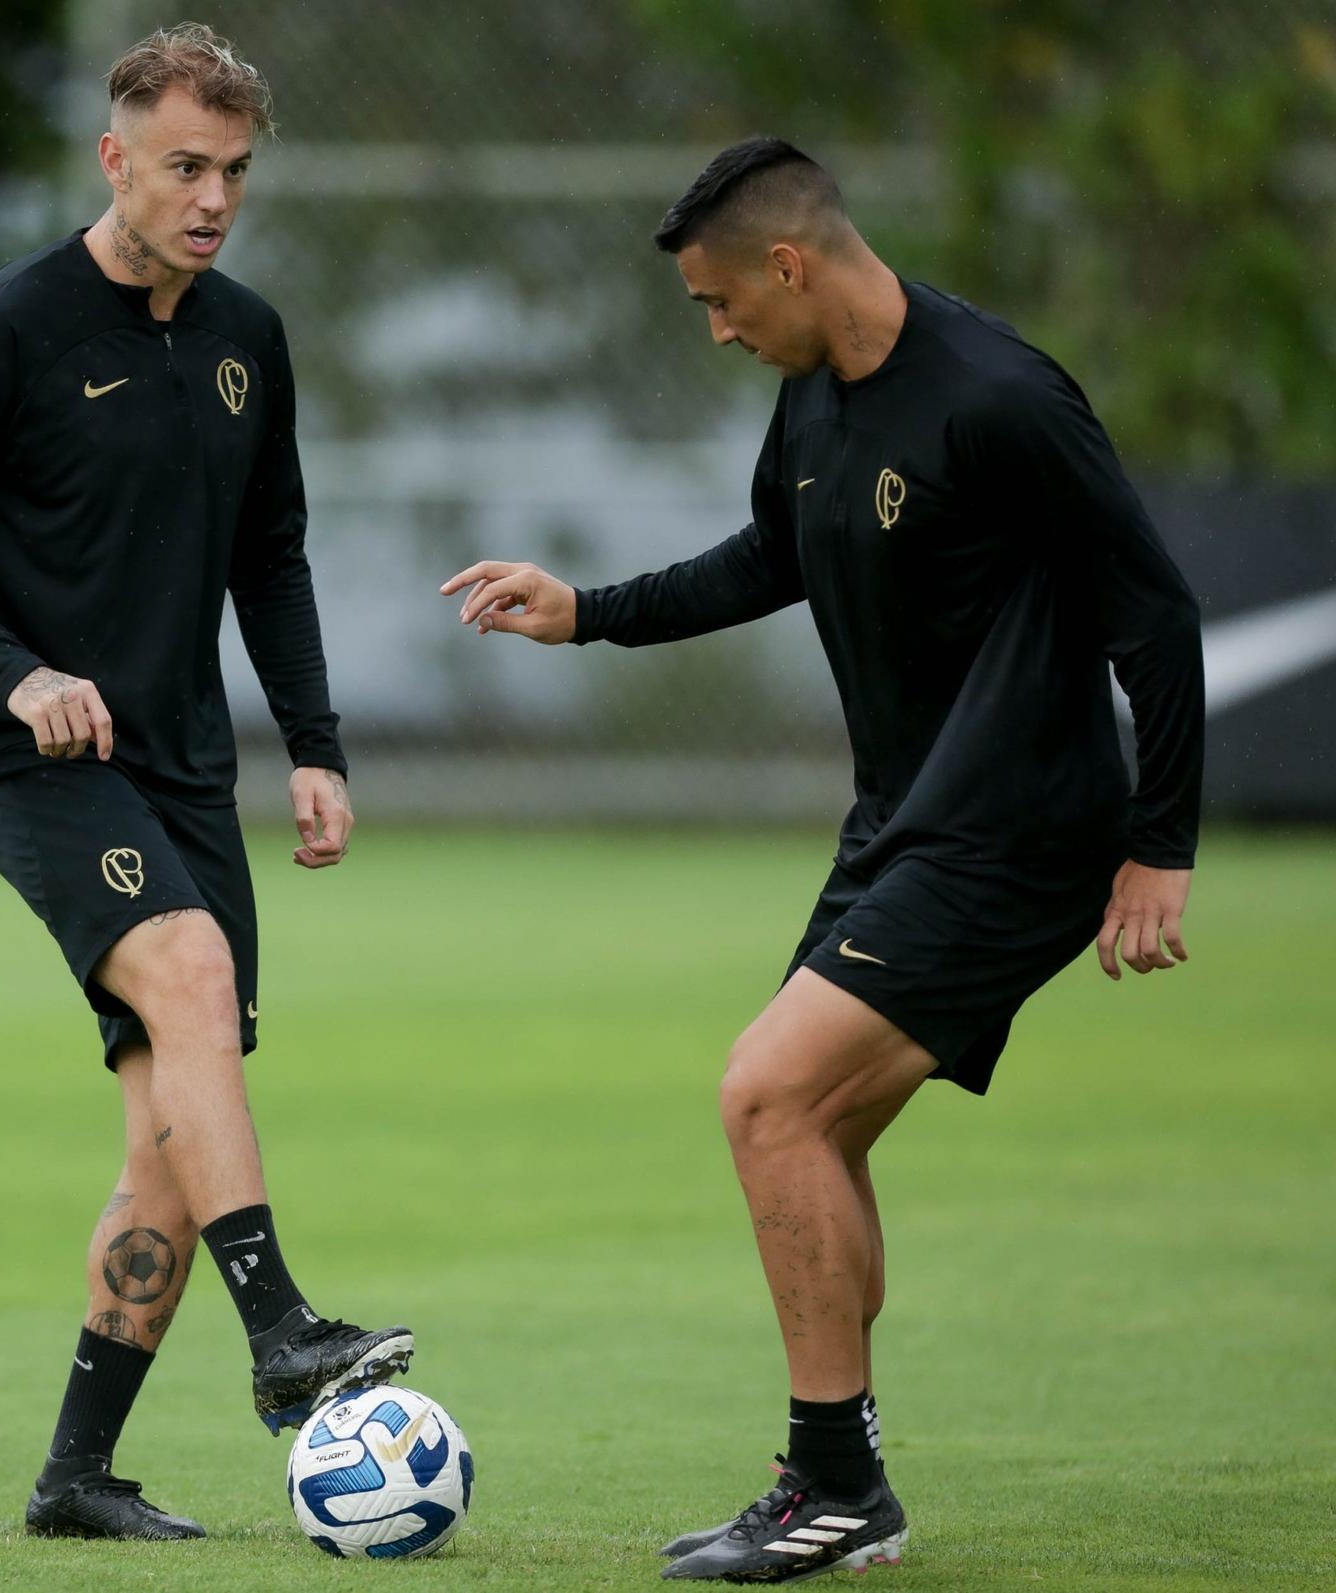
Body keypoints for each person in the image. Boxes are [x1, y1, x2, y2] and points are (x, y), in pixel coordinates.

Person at [441, 137, 1203, 1583]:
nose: (720, 331)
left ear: (789, 263)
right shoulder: (812, 399)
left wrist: (1157, 846)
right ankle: (843, 1475)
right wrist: (584, 609)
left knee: (765, 1094)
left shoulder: (1001, 396)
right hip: (903, 827)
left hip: (1021, 830)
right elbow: (766, 559)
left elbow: (1154, 614)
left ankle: (835, 1486)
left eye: (722, 302)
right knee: (814, 1130)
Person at [0, 22, 411, 1544]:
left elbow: (270, 556)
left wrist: (314, 743)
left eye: (232, 170)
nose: (213, 196)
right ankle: (285, 1329)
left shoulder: (248, 337)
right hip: (39, 762)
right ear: (115, 160)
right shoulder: (12, 326)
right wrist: (15, 670)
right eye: (183, 167)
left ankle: (75, 1477)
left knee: (172, 1138)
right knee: (187, 964)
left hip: (183, 769)